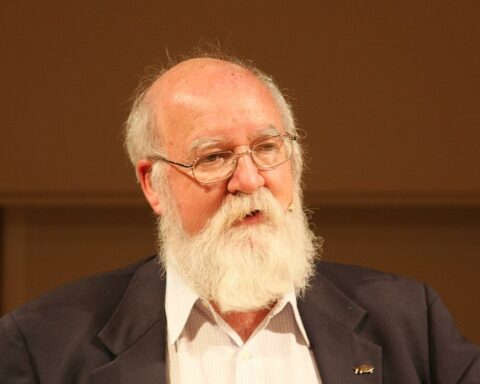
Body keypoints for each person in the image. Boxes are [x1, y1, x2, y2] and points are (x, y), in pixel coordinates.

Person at [1, 51, 479, 384]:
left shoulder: (409, 322)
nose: (249, 181)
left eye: (268, 149)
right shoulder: (43, 343)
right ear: (153, 184)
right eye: (213, 158)